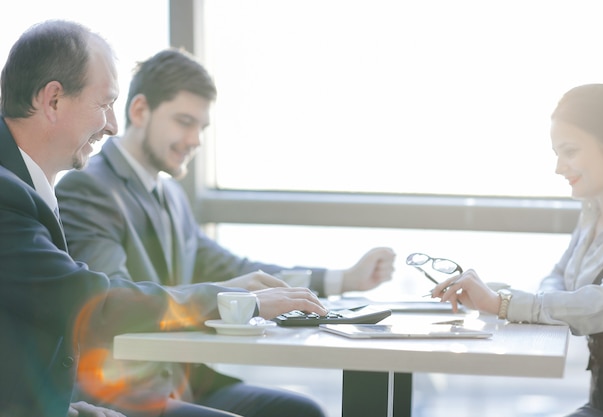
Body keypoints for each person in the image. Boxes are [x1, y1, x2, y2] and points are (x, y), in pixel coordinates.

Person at [0, 20, 327, 417]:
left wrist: (64, 406)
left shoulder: (25, 187)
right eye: (104, 104)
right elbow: (94, 306)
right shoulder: (10, 196)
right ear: (53, 100)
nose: (112, 125)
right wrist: (238, 302)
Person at [55, 47, 396, 417]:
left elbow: (235, 270)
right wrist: (238, 299)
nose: (195, 140)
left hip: (181, 383)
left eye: (201, 128)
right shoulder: (89, 188)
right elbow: (116, 305)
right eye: (184, 121)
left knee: (302, 411)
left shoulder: (170, 194)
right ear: (139, 111)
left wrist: (343, 278)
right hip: (123, 392)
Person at [431, 83, 603, 417]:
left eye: (570, 151)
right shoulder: (593, 215)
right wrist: (501, 298)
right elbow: (558, 280)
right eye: (556, 154)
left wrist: (505, 303)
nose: (559, 168)